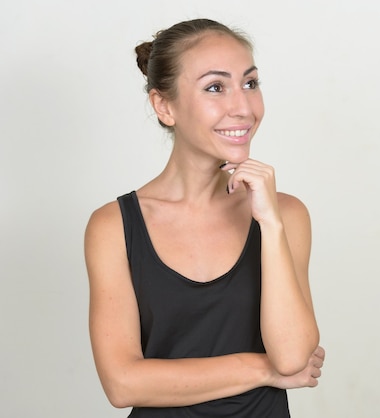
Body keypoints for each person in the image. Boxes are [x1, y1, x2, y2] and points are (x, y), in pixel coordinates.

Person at [84, 18, 324, 417]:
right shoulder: (114, 226)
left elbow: (293, 356)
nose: (243, 107)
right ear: (164, 106)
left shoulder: (285, 214)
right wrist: (261, 369)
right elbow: (122, 383)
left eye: (250, 83)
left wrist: (270, 223)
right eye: (216, 87)